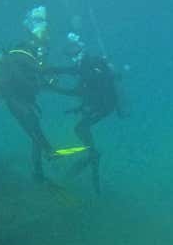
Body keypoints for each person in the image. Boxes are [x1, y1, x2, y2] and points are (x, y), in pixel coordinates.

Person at [0, 6, 65, 182]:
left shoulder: (21, 55)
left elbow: (33, 78)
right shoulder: (24, 55)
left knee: (34, 133)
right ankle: (48, 154)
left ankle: (39, 171)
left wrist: (47, 81)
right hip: (16, 99)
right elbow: (35, 74)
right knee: (34, 128)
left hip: (19, 99)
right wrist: (49, 78)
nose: (43, 51)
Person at [51, 53, 126, 194]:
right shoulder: (91, 70)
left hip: (104, 106)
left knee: (80, 128)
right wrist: (80, 107)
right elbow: (83, 89)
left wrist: (52, 88)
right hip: (102, 105)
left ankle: (93, 154)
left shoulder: (88, 71)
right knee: (80, 128)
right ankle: (92, 157)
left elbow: (77, 91)